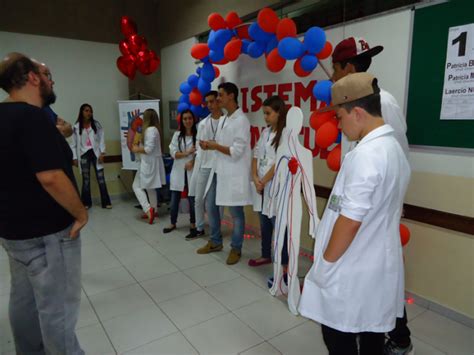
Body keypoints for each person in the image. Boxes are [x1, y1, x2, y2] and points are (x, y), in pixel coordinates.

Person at [298, 73, 411, 355]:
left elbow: (349, 221)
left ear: (357, 112)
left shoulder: (366, 155)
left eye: (339, 117)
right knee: (371, 332)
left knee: (337, 336)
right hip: (373, 264)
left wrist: (325, 265)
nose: (338, 124)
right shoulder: (392, 148)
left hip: (351, 265)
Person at [0, 52, 87, 354]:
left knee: (23, 302)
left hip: (14, 234)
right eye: (47, 76)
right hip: (48, 235)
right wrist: (80, 213)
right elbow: (50, 176)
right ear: (33, 78)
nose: (51, 82)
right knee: (57, 310)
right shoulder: (33, 116)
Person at [331, 36, 413, 355]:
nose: (334, 76)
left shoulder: (383, 103)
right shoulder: (352, 105)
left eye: (336, 69)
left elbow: (396, 154)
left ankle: (398, 338)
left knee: (379, 278)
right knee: (372, 280)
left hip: (373, 210)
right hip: (359, 206)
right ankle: (381, 334)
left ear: (348, 67)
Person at [197, 82, 252, 265]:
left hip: (234, 173)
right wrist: (210, 143)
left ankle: (236, 248)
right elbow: (223, 142)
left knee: (236, 212)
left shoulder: (241, 121)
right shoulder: (226, 119)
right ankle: (215, 241)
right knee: (211, 205)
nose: (218, 98)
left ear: (231, 96)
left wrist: (214, 146)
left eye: (220, 95)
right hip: (220, 170)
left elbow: (236, 151)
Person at [248, 96, 289, 269]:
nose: (265, 117)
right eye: (264, 113)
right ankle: (266, 254)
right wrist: (256, 178)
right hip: (262, 185)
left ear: (279, 113)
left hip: (275, 185)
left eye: (268, 113)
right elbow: (256, 155)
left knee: (278, 224)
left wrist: (263, 181)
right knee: (264, 222)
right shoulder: (265, 133)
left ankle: (285, 262)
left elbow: (280, 162)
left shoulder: (286, 134)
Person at [187, 90, 223, 240]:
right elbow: (198, 144)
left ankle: (217, 228)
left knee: (218, 200)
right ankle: (200, 227)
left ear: (218, 101)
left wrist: (214, 144)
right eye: (207, 102)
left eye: (212, 101)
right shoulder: (203, 123)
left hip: (220, 166)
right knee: (198, 198)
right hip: (205, 165)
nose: (209, 105)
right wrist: (202, 147)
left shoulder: (226, 121)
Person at [71, 103, 112, 209]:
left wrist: (103, 152)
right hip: (84, 154)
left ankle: (106, 202)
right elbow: (74, 144)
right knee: (86, 179)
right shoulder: (76, 127)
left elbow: (101, 138)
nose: (89, 113)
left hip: (96, 153)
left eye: (90, 111)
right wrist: (74, 157)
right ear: (81, 112)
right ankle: (86, 203)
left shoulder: (96, 124)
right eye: (86, 110)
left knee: (101, 178)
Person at [163, 109, 197, 234]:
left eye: (190, 118)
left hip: (192, 170)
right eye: (185, 119)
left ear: (193, 120)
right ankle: (173, 223)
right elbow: (173, 153)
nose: (188, 121)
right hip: (178, 170)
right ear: (182, 121)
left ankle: (193, 223)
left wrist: (192, 162)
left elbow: (201, 154)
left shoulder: (197, 135)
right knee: (174, 199)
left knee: (192, 198)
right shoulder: (177, 135)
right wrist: (187, 153)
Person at [131, 108, 166, 224]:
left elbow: (149, 149)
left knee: (136, 186)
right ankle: (154, 210)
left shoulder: (150, 130)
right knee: (150, 188)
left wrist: (136, 148)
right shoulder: (154, 129)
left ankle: (148, 209)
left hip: (148, 163)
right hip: (150, 162)